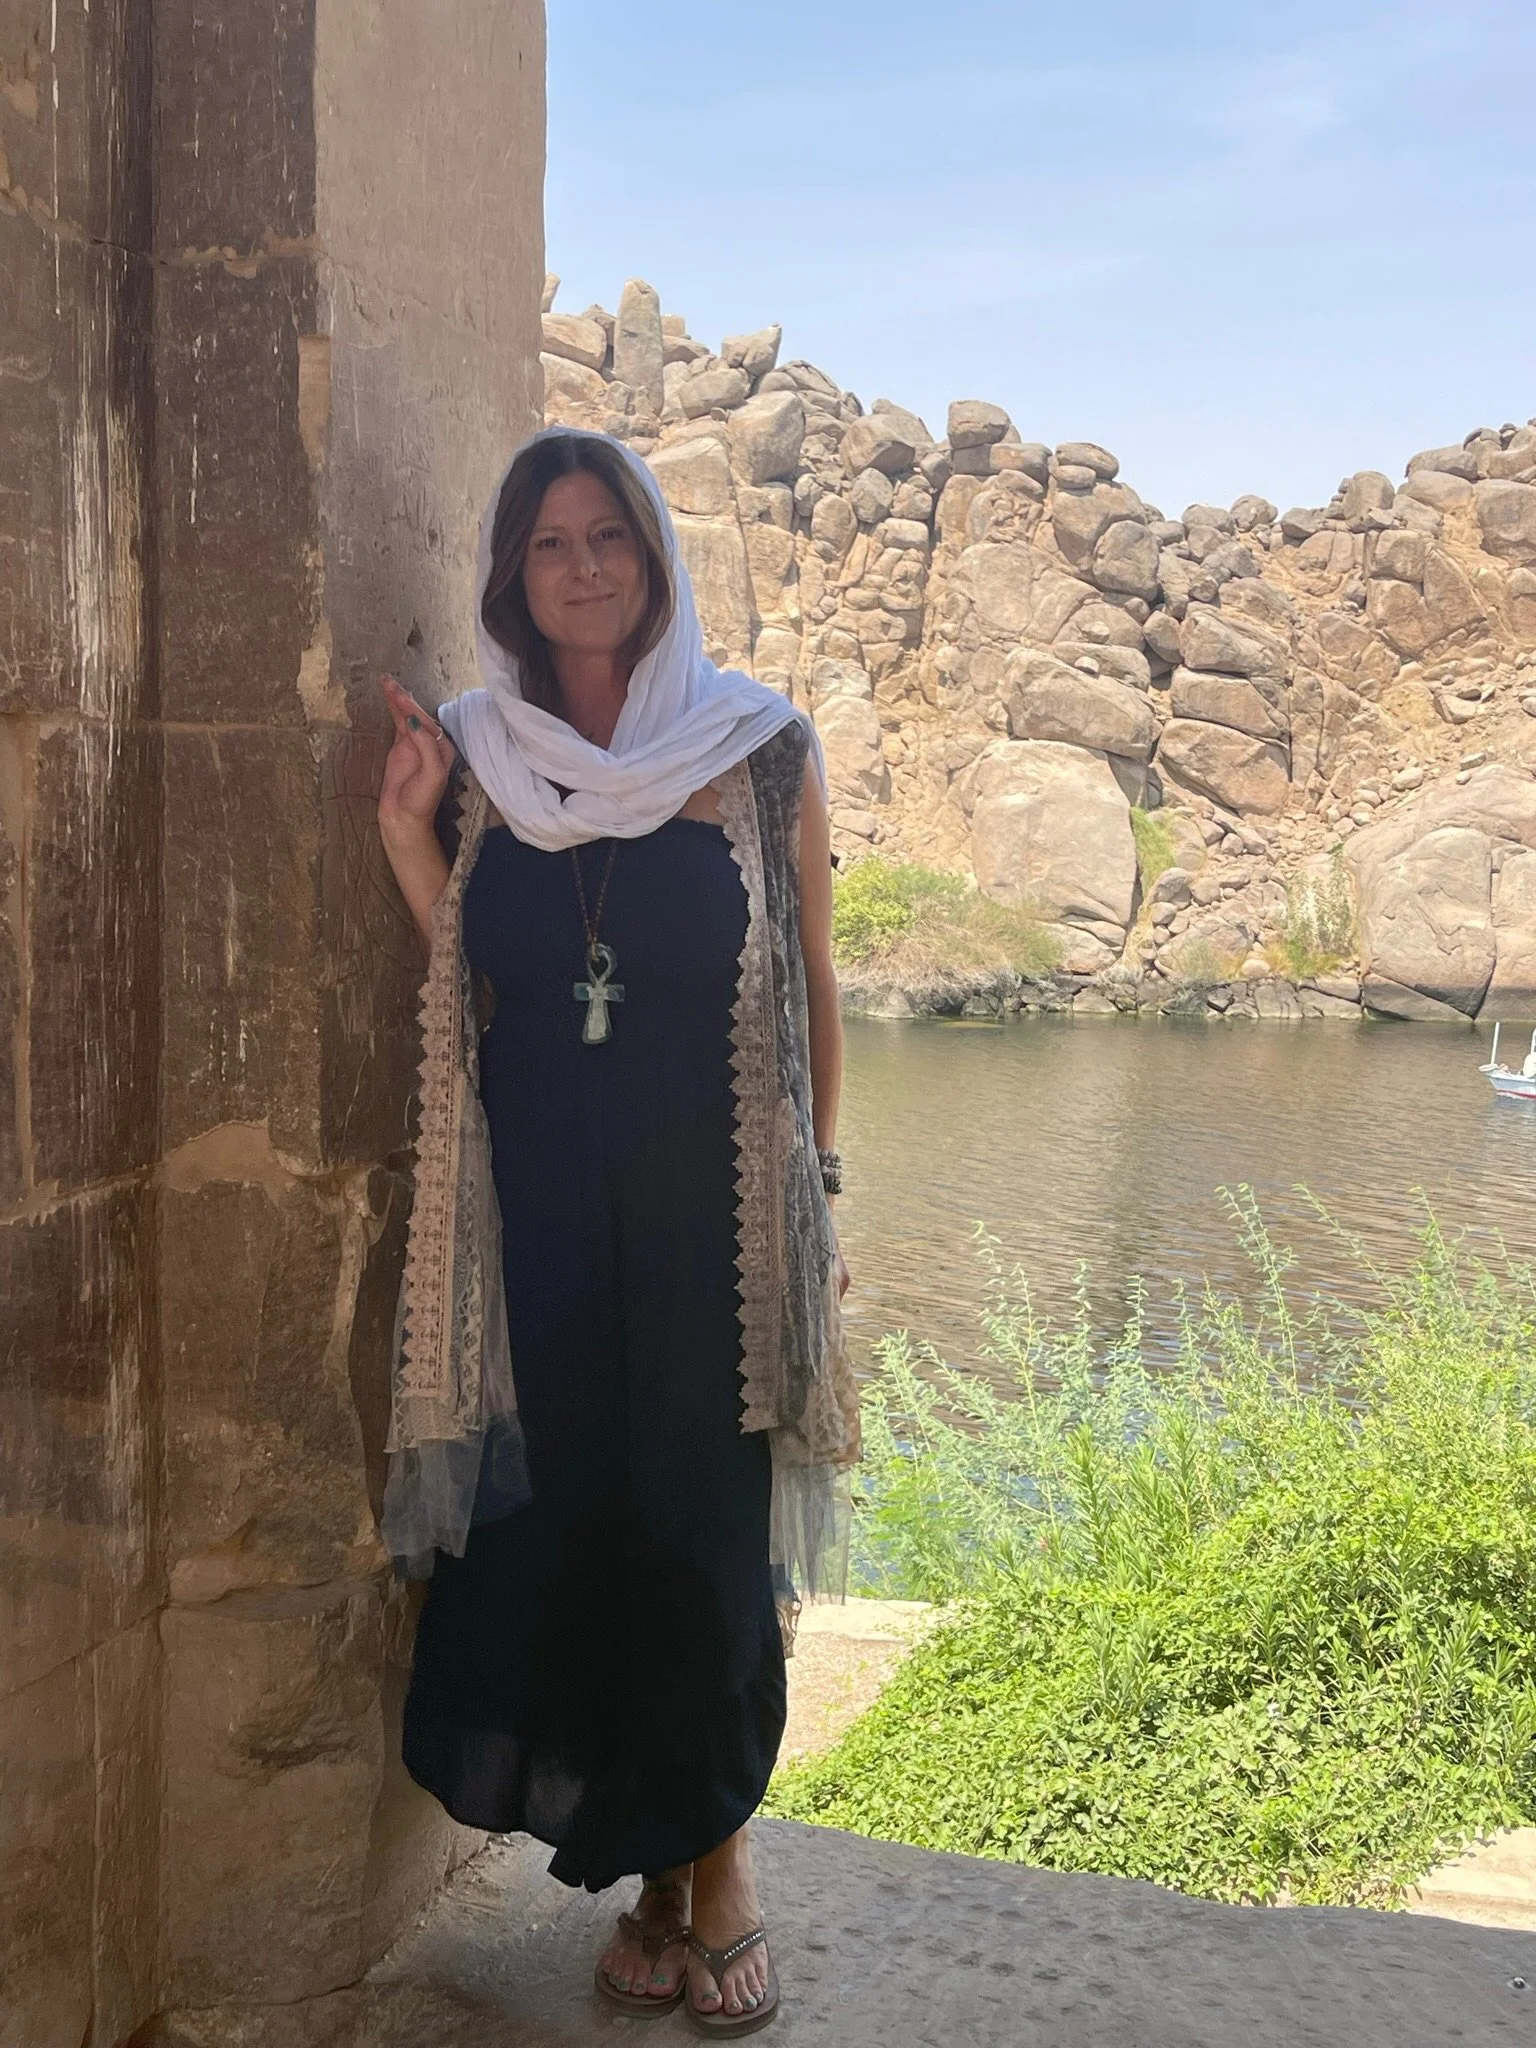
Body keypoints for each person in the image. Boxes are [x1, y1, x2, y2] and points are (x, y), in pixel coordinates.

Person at [374, 426, 858, 2036]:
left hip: (714, 1226)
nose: (582, 567)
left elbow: (810, 984)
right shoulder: (482, 754)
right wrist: (409, 837)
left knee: (700, 1536)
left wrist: (820, 1191)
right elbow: (478, 977)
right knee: (578, 1529)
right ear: (512, 577)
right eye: (549, 543)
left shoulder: (759, 747)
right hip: (541, 1228)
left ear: (654, 558)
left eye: (609, 536)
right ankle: (652, 1867)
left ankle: (720, 1872)